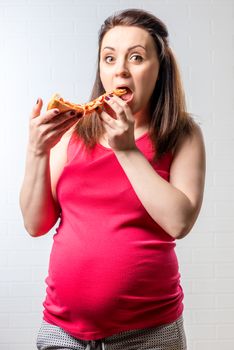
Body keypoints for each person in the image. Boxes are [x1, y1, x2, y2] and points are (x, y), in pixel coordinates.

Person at [20, 8, 205, 350]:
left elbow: (179, 221)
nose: (120, 68)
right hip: (62, 330)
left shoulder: (181, 134)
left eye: (136, 57)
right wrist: (36, 150)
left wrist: (127, 151)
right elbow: (35, 224)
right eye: (109, 58)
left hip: (148, 332)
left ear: (159, 68)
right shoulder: (74, 131)